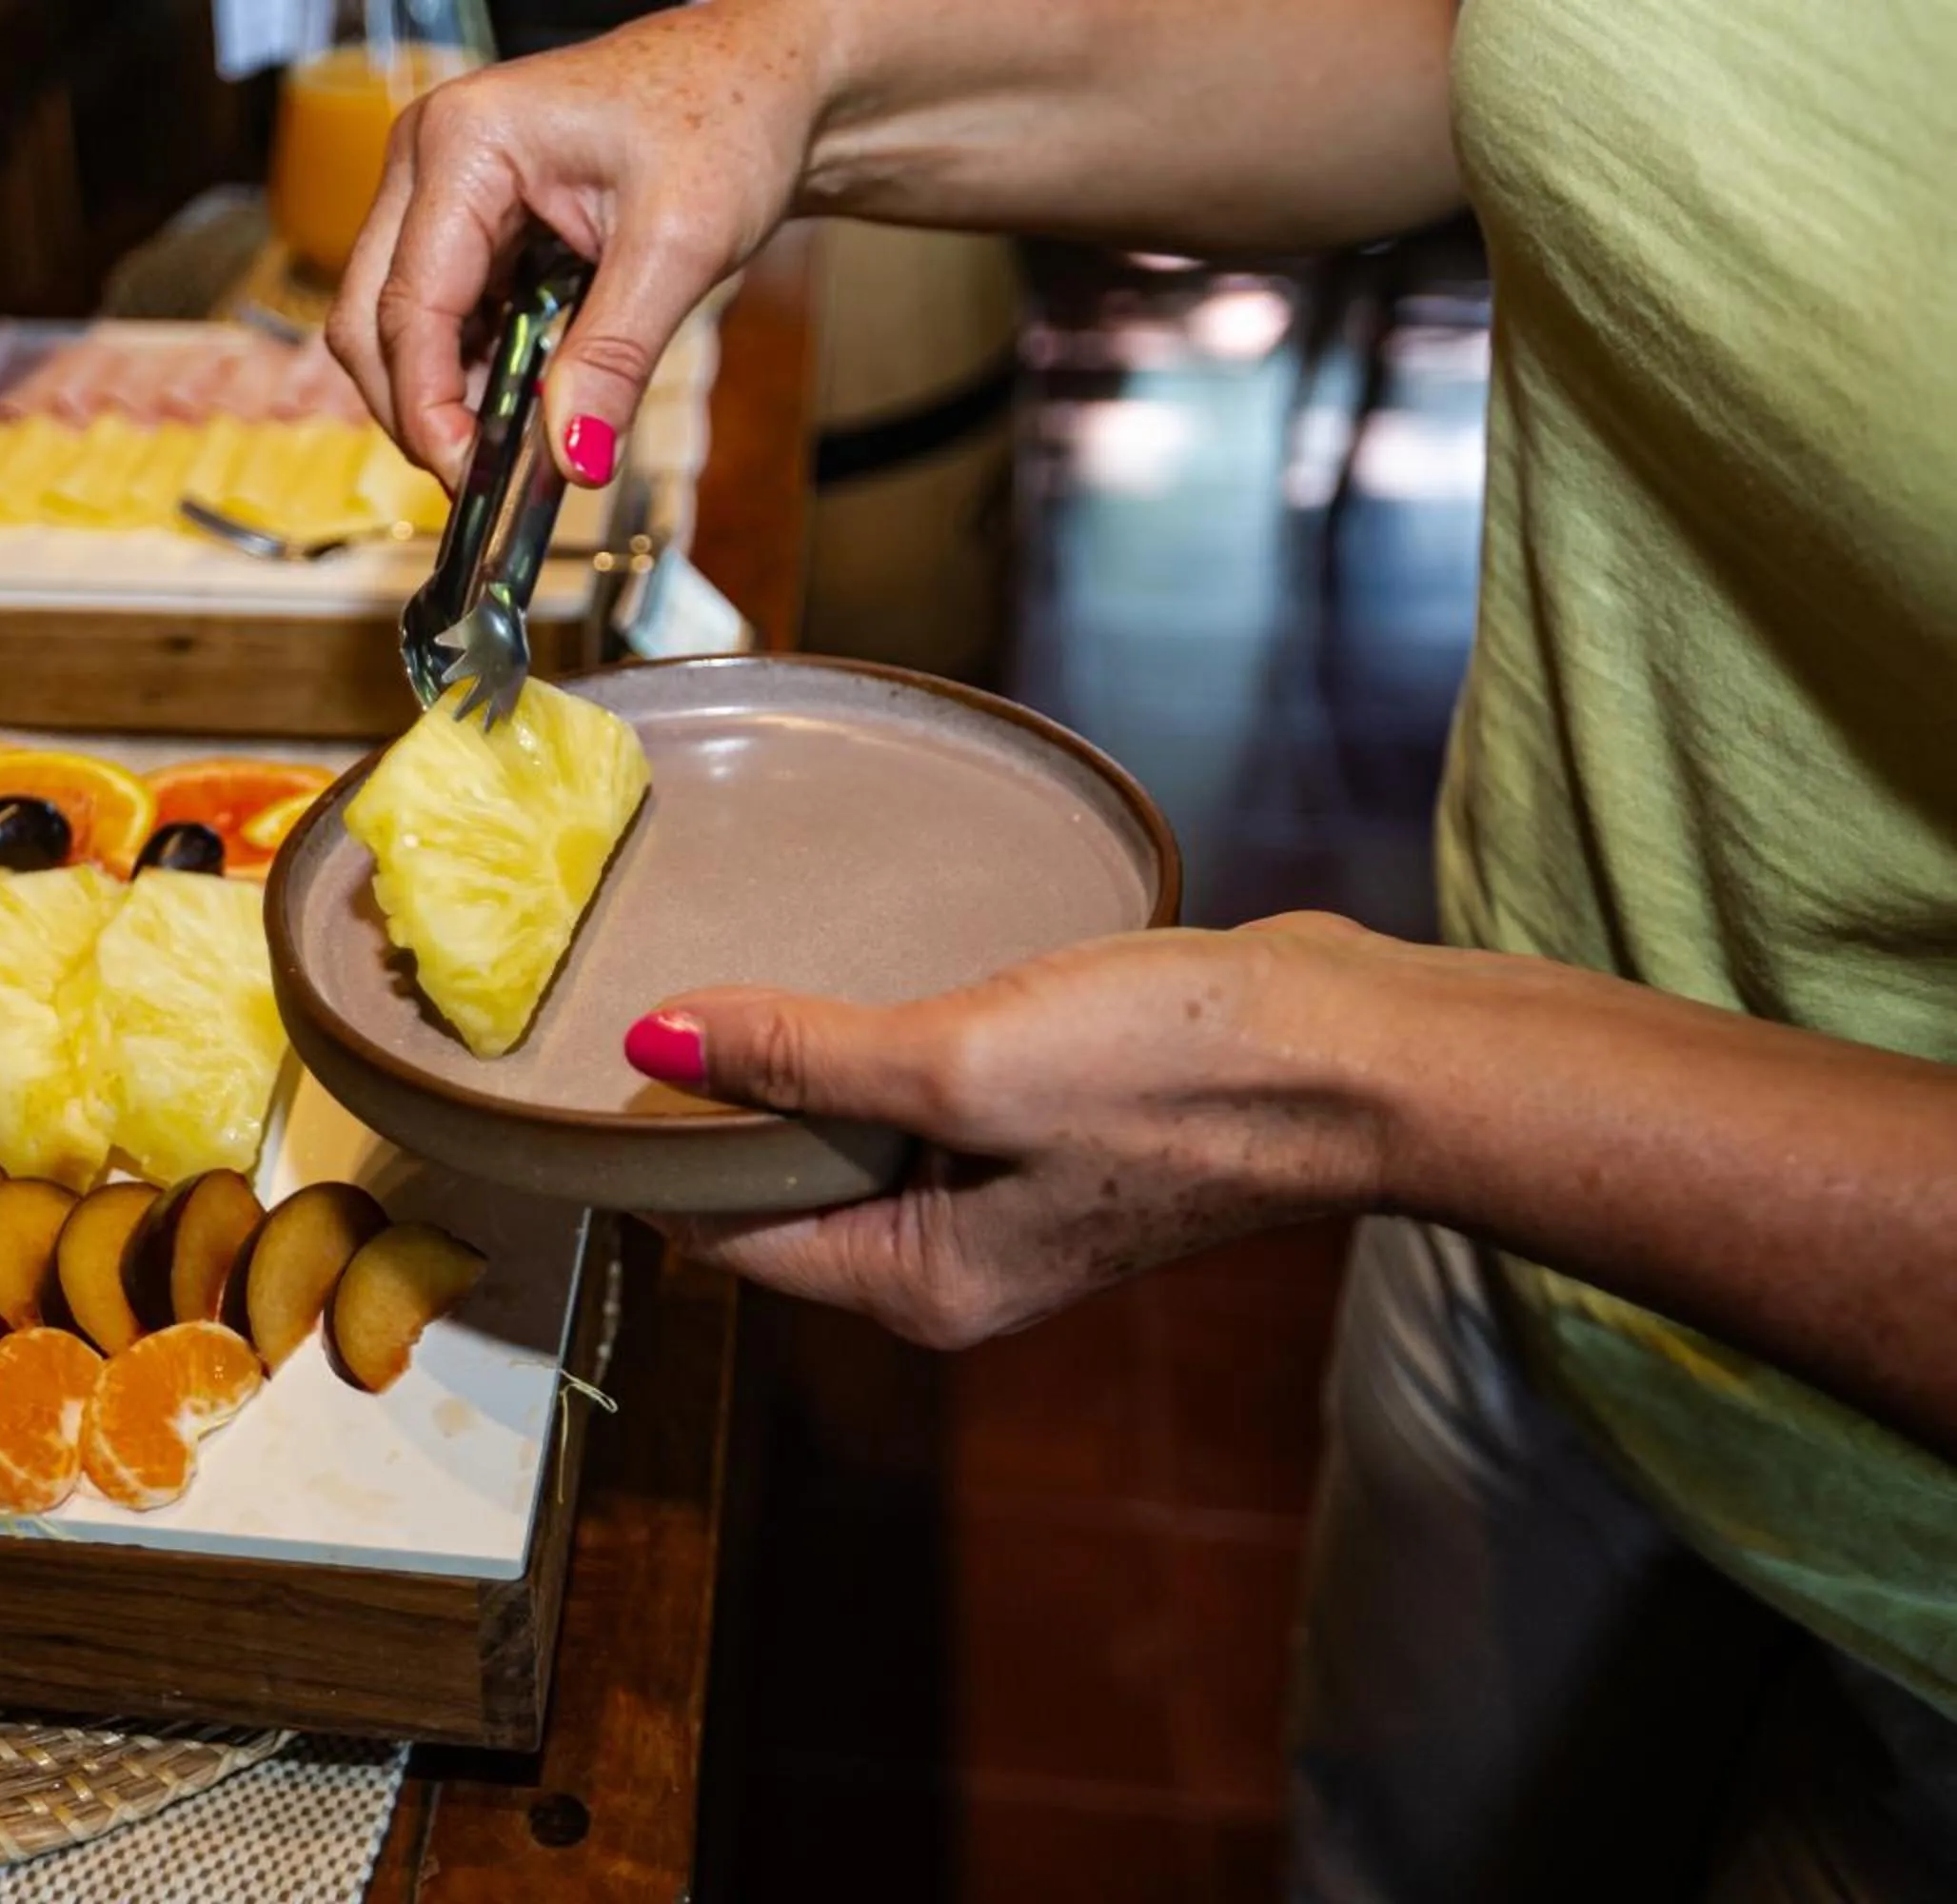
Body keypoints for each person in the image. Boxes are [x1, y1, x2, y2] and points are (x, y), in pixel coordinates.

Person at [326, 2, 1957, 1898]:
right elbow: (1524, 57)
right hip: (1507, 1206)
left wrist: (1361, 1086)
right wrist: (795, 71)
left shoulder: (1385, 1081)